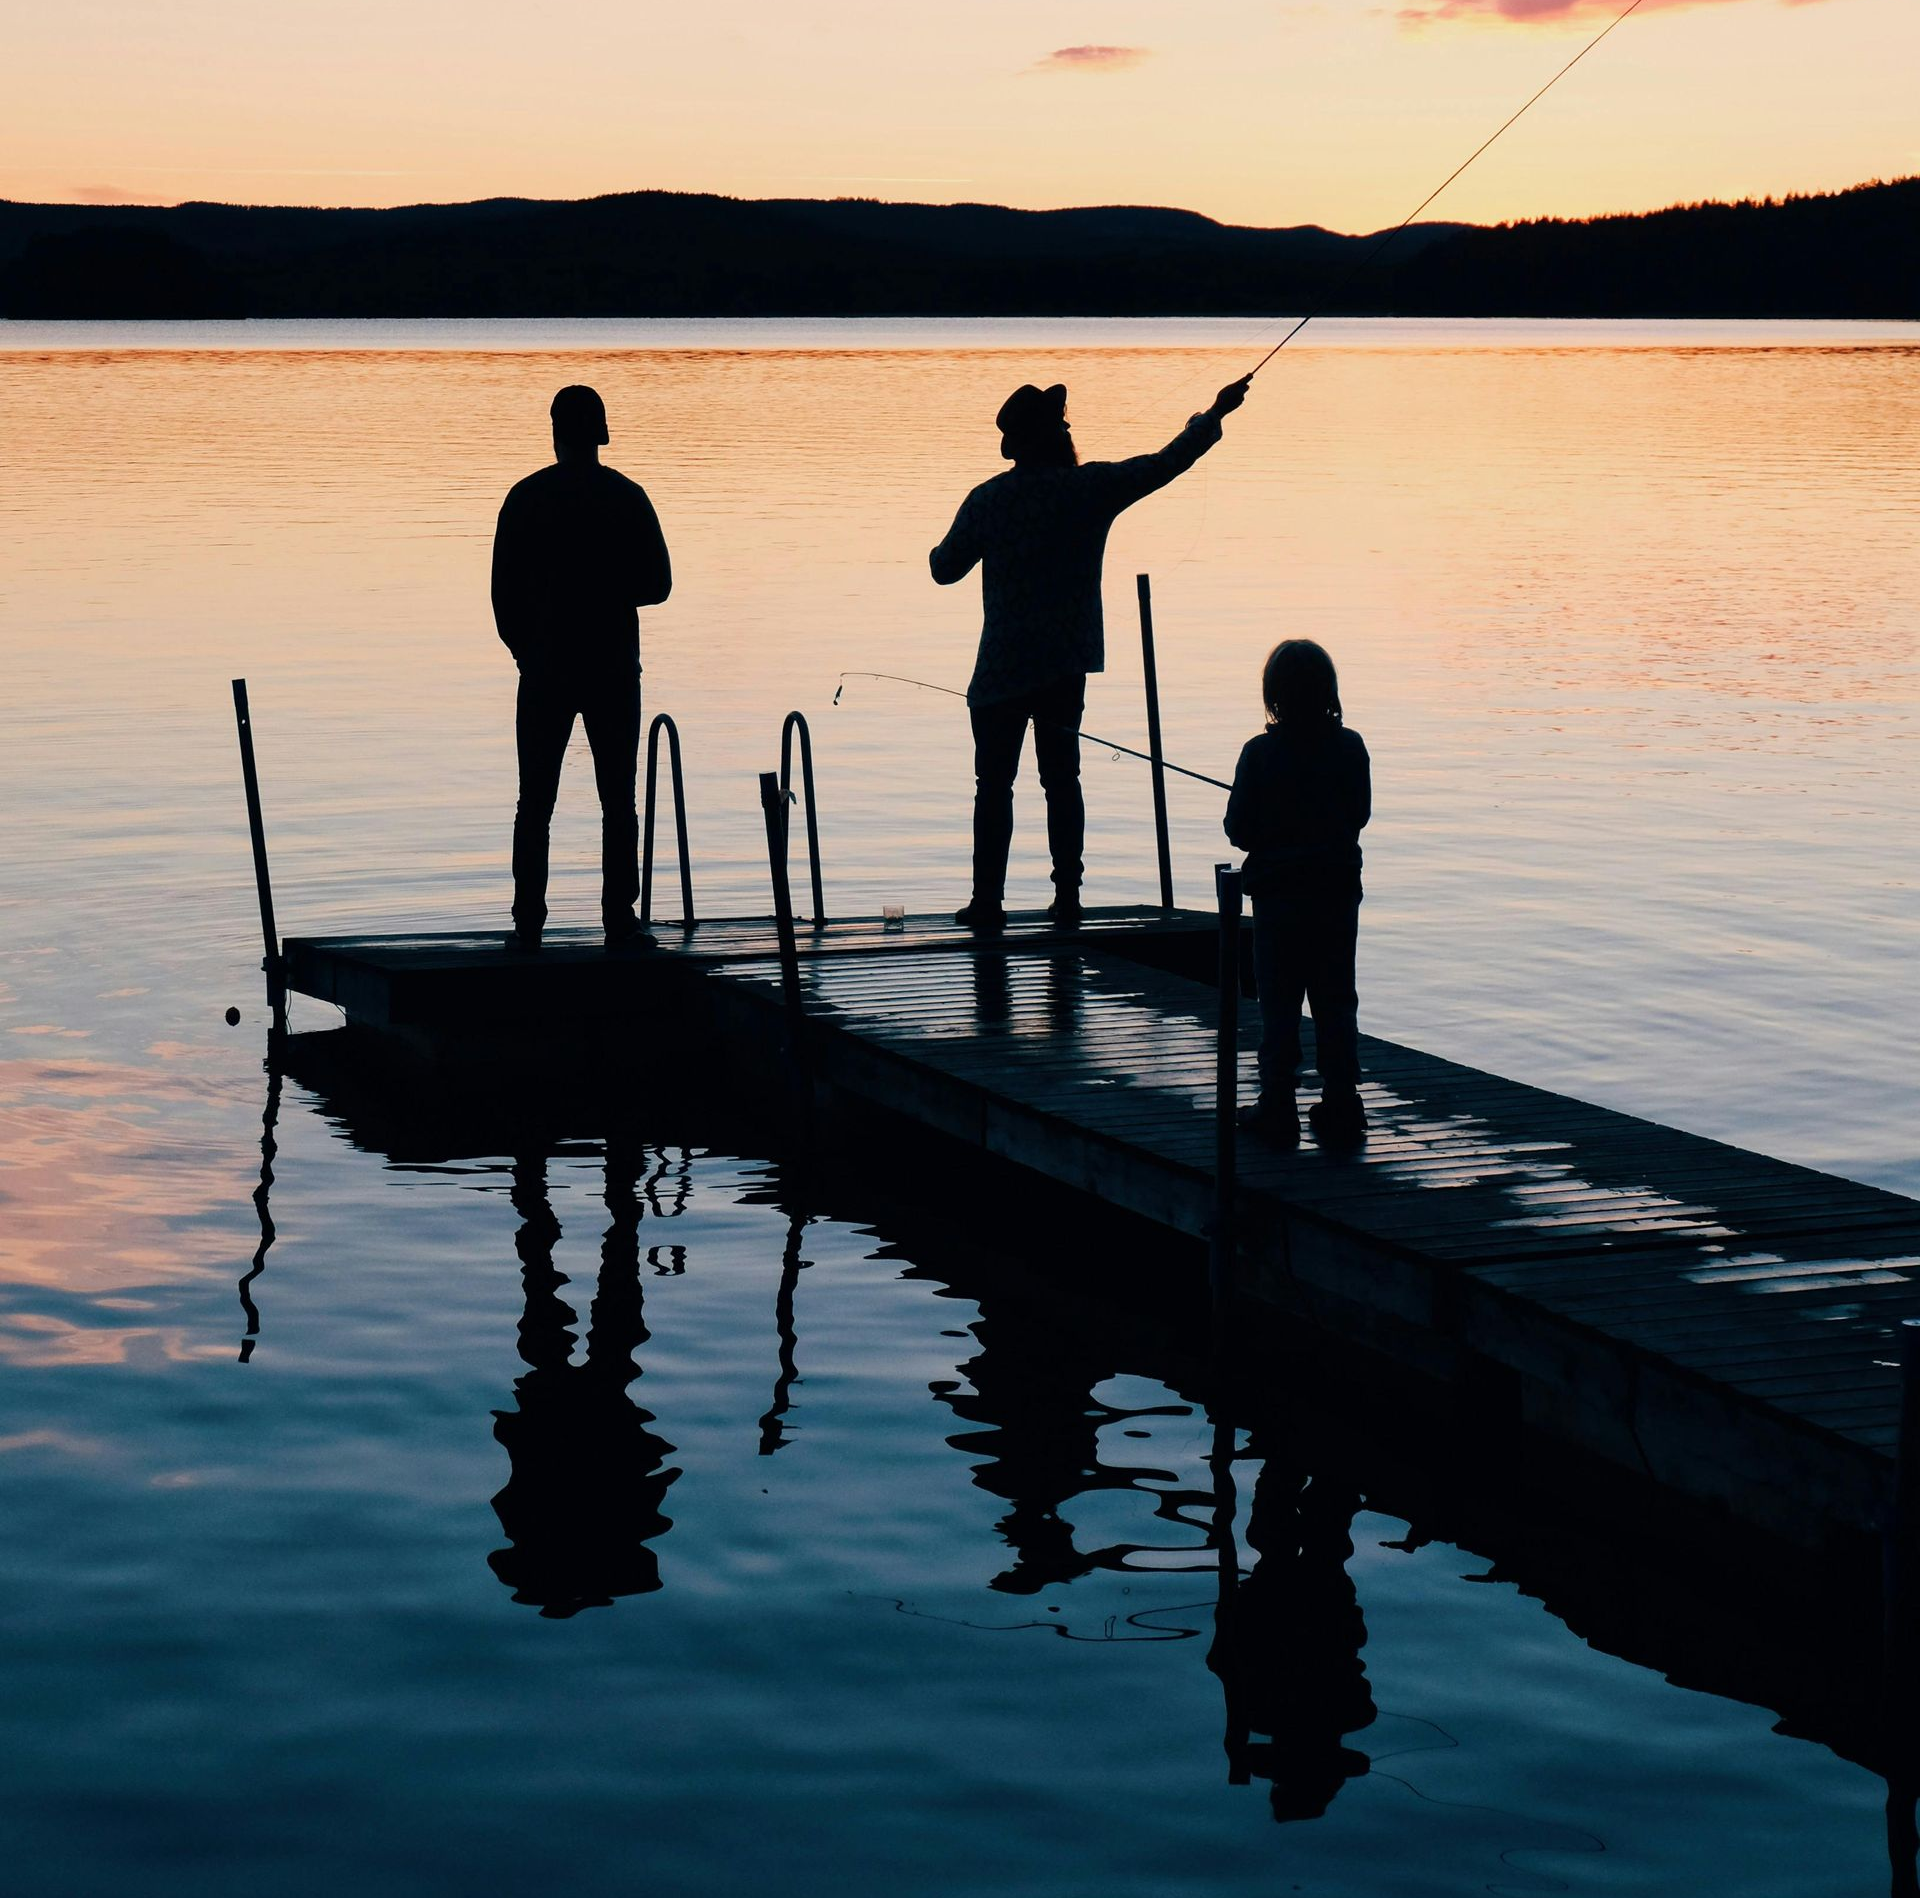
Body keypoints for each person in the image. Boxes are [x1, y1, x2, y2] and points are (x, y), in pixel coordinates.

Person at [930, 375, 1250, 931]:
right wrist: (1215, 414)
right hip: (1063, 667)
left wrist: (950, 543)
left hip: (1000, 670)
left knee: (993, 787)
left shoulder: (987, 500)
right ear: (1059, 437)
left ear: (1014, 445)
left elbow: (943, 570)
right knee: (1062, 781)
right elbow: (1166, 462)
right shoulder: (1089, 489)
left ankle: (987, 902)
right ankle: (1068, 898)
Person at [491, 384, 671, 952]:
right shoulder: (628, 497)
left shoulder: (524, 498)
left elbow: (503, 596)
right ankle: (619, 917)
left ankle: (528, 923)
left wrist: (527, 651)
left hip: (544, 669)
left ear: (556, 433)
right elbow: (660, 585)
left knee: (534, 800)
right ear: (600, 434)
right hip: (613, 668)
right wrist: (611, 591)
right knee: (617, 797)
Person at [1224, 640, 1371, 1148]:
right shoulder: (1350, 747)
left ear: (1274, 696)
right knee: (1335, 998)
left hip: (1278, 900)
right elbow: (1359, 815)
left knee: (1279, 1002)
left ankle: (1278, 1104)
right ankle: (1342, 1102)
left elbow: (1238, 829)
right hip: (1335, 898)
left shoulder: (1259, 753)